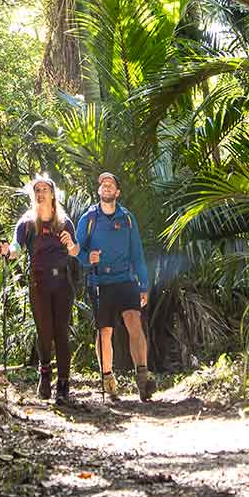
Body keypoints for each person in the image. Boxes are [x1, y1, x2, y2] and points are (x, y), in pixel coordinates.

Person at [0, 174, 80, 403]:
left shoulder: (64, 222)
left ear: (53, 194)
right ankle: (45, 374)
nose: (41, 193)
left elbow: (75, 251)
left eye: (45, 189)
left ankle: (63, 384)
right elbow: (16, 247)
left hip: (62, 283)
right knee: (44, 332)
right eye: (37, 190)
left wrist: (70, 244)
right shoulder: (27, 223)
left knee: (61, 332)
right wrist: (8, 251)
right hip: (39, 283)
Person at [75, 171, 153, 401]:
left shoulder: (127, 218)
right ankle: (108, 380)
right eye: (102, 184)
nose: (106, 186)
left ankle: (143, 379)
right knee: (104, 331)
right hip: (101, 281)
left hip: (126, 279)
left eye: (111, 183)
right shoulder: (88, 219)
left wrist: (143, 285)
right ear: (99, 191)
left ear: (117, 192)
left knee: (134, 323)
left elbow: (137, 253)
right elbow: (77, 250)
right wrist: (88, 259)